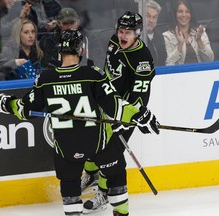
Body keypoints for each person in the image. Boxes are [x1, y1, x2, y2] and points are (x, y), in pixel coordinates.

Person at [0, 29, 160, 216]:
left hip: (67, 148)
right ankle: (121, 211)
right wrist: (140, 116)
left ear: (60, 52)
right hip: (97, 144)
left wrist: (7, 103)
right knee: (116, 173)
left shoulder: (46, 78)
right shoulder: (92, 74)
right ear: (81, 50)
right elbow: (116, 107)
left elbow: (25, 110)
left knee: (70, 186)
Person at [80, 11, 156, 214]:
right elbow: (109, 71)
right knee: (91, 140)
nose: (122, 36)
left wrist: (127, 118)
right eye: (121, 31)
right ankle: (90, 175)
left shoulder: (142, 59)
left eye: (128, 33)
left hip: (125, 112)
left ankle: (104, 193)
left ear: (138, 34)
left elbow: (140, 97)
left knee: (110, 153)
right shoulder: (114, 41)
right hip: (105, 103)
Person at [162, 0, 214, 65]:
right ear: (175, 14)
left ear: (191, 14)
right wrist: (180, 45)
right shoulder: (167, 36)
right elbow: (168, 64)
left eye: (187, 12)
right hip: (179, 74)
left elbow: (210, 60)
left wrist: (199, 41)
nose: (184, 15)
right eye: (180, 11)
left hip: (201, 72)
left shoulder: (200, 32)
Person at [146, 0, 167, 66]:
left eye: (154, 17)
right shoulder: (133, 37)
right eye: (148, 16)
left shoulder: (160, 36)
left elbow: (164, 61)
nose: (151, 20)